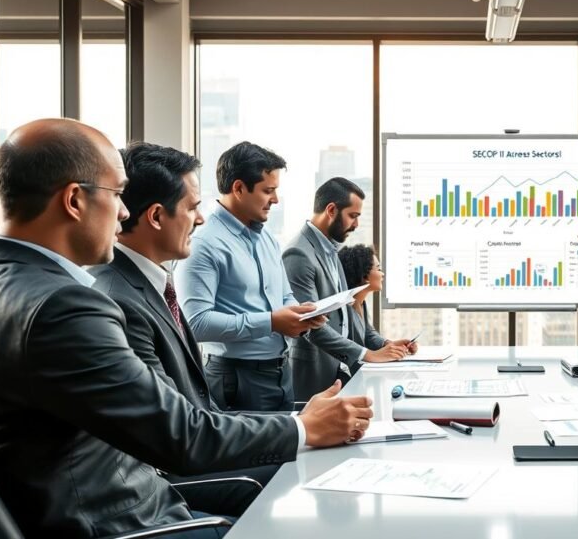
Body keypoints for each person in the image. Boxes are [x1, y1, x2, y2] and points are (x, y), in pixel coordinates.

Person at [0, 119, 373, 538]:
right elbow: (180, 435)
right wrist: (302, 427)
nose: (125, 211)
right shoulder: (65, 305)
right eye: (116, 195)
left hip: (124, 504)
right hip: (125, 523)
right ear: (75, 200)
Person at [90, 143, 277, 516]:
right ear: (157, 216)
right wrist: (301, 430)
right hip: (164, 482)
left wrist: (298, 423)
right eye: (192, 208)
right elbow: (177, 432)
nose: (201, 219)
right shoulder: (117, 299)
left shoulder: (148, 285)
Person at [175, 141, 326, 412]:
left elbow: (283, 295)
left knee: (288, 452)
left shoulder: (267, 239)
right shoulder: (204, 244)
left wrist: (301, 314)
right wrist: (271, 322)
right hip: (235, 378)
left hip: (280, 371)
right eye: (268, 190)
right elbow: (195, 324)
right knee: (250, 455)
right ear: (238, 188)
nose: (276, 200)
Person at [282, 177, 413, 401]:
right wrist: (367, 354)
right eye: (353, 216)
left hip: (340, 372)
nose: (356, 225)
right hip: (314, 375)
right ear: (331, 210)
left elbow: (347, 316)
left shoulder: (332, 250)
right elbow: (311, 325)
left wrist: (386, 345)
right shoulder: (298, 253)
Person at [337, 244, 406, 349]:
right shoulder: (343, 308)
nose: (382, 274)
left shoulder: (361, 302)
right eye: (378, 269)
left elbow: (368, 334)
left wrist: (389, 344)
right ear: (364, 275)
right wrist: (376, 355)